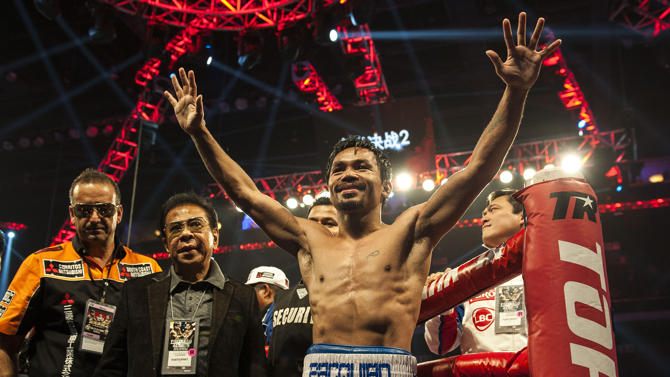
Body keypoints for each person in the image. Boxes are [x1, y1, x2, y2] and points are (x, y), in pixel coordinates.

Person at [164, 13, 560, 375]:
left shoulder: (411, 231)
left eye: (361, 166)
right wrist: (199, 132)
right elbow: (247, 194)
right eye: (339, 169)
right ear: (329, 186)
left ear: (386, 186)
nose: (347, 173)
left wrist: (516, 92)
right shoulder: (309, 239)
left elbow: (477, 170)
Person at [0, 168, 161, 377]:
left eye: (104, 209)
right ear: (72, 215)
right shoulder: (40, 264)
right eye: (84, 210)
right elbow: (4, 342)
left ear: (119, 213)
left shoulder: (148, 269)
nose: (94, 218)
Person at [93, 192, 267, 377]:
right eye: (176, 228)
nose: (185, 234)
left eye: (195, 224)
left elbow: (254, 367)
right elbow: (112, 365)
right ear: (166, 244)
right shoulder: (136, 292)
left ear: (215, 237)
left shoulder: (243, 296)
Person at [424, 189, 527, 355]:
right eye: (484, 213)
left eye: (493, 210)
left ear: (521, 216)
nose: (484, 218)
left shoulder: (545, 268)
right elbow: (441, 346)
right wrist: (442, 298)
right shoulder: (465, 277)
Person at [269, 197, 339, 377]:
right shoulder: (281, 298)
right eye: (312, 223)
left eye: (329, 223)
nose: (316, 230)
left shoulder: (361, 290)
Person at [244, 266, 289, 346]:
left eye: (250, 291)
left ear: (265, 291)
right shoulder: (287, 313)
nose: (246, 296)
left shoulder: (273, 319)